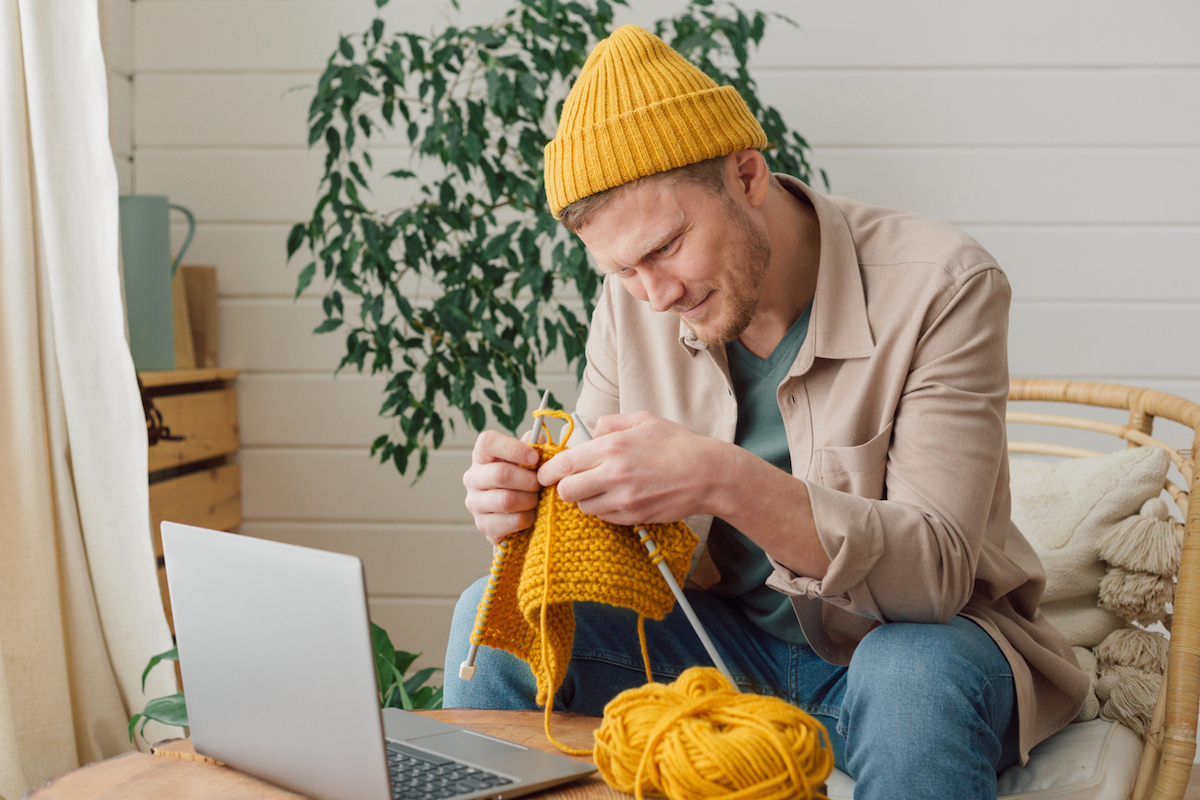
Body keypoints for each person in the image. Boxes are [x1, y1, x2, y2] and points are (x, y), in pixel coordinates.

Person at [446, 23, 1087, 800]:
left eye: (668, 247)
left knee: (910, 673)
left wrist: (723, 480)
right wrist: (537, 504)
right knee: (500, 605)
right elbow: (631, 546)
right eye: (622, 270)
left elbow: (937, 575)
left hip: (911, 650)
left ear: (747, 173)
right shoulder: (631, 303)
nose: (657, 294)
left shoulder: (943, 285)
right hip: (723, 650)